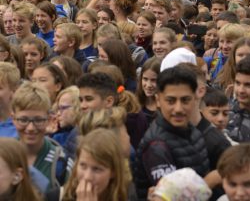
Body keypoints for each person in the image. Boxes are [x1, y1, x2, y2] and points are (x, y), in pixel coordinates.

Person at [134, 66, 210, 199]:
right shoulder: (156, 146)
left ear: (195, 98)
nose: (178, 109)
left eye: (185, 100)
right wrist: (213, 180)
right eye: (171, 101)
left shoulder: (192, 130)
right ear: (158, 100)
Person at [11, 81, 72, 191]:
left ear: (49, 120)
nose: (30, 128)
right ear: (13, 119)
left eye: (38, 120)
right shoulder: (4, 156)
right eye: (23, 120)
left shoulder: (61, 161)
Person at [56, 129, 131, 201]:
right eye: (83, 166)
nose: (87, 177)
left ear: (113, 172)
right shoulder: (55, 197)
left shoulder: (128, 197)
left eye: (97, 169)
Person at [136, 58, 160, 128]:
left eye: (153, 80)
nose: (148, 85)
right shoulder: (136, 103)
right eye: (145, 79)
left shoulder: (164, 109)